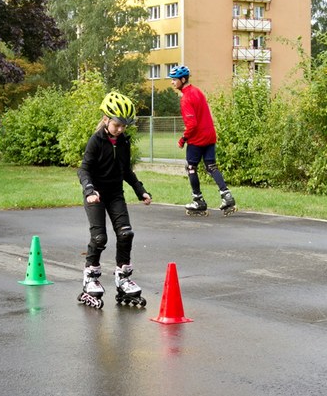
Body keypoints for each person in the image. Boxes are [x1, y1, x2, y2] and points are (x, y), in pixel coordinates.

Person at [77, 92, 152, 308]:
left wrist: (140, 190)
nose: (120, 130)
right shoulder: (96, 141)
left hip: (115, 194)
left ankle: (123, 278)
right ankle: (90, 278)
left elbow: (125, 170)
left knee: (126, 233)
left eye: (124, 126)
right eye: (117, 125)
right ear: (106, 119)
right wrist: (90, 190)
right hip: (96, 195)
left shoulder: (124, 142)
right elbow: (84, 169)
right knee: (100, 238)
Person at [168, 65, 236, 215]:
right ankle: (227, 196)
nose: (172, 83)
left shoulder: (186, 98)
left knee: (191, 167)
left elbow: (192, 124)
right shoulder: (197, 91)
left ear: (183, 79)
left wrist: (183, 139)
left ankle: (198, 200)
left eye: (174, 80)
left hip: (197, 138)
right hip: (210, 135)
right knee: (211, 166)